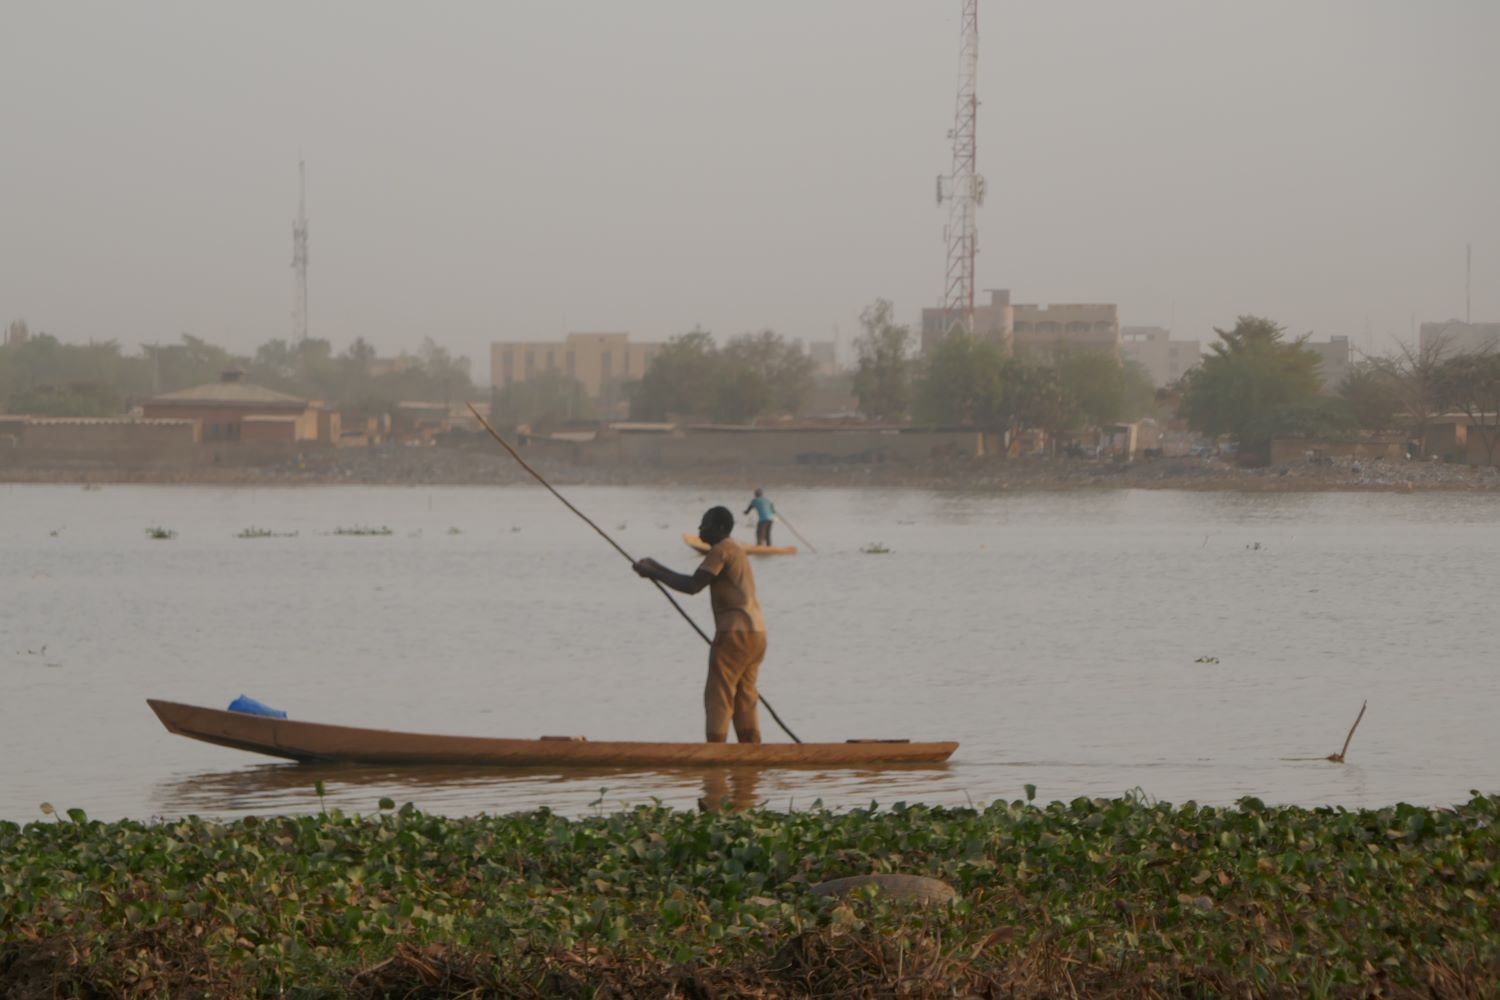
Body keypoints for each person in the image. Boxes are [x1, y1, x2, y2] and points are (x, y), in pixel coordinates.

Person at [632, 506, 766, 743]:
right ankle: (751, 752)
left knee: (719, 694)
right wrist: (655, 566)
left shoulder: (720, 550)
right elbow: (695, 578)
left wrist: (653, 573)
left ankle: (715, 751)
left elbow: (693, 585)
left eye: (705, 524)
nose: (700, 529)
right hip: (756, 633)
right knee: (745, 696)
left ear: (720, 529)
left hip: (733, 632)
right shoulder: (735, 549)